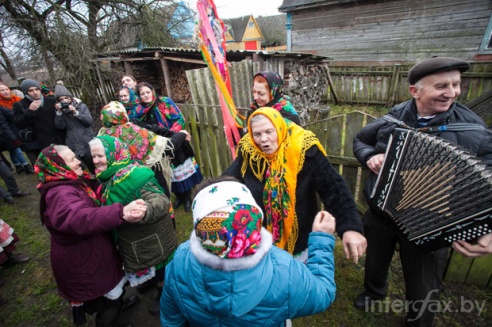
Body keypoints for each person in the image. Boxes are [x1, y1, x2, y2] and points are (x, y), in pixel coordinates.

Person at [352, 57, 492, 326]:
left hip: (431, 221)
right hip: (383, 211)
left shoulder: (474, 131)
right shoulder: (392, 119)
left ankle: (419, 319)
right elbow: (360, 139)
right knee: (375, 260)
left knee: (424, 279)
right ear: (415, 91)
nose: (451, 92)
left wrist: (487, 228)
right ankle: (374, 291)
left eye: (456, 84)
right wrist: (369, 155)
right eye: (441, 86)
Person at [160, 177, 337, 326]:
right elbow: (323, 292)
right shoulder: (285, 271)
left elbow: (171, 318)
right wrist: (321, 238)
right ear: (255, 219)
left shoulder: (180, 262)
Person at [224, 107, 366, 261]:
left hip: (300, 238)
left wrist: (350, 227)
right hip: (261, 238)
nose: (263, 139)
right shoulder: (249, 151)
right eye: (257, 134)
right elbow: (227, 182)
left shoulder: (303, 150)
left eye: (269, 132)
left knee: (298, 279)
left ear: (279, 128)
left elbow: (334, 189)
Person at [35, 144, 146, 326]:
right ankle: (109, 320)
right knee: (106, 296)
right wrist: (120, 212)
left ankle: (116, 306)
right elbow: (77, 217)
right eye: (71, 160)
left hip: (90, 249)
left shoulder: (69, 181)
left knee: (111, 289)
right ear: (57, 166)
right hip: (84, 259)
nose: (79, 162)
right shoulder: (60, 193)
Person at [89, 135, 177, 315]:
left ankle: (165, 297)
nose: (96, 161)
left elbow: (160, 201)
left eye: (100, 156)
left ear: (114, 154)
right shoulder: (107, 178)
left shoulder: (136, 176)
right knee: (149, 268)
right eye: (93, 156)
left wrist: (145, 210)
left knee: (160, 271)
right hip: (136, 240)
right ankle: (151, 284)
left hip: (153, 238)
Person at [132, 82, 203, 212]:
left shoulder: (165, 102)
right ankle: (179, 197)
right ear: (139, 96)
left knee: (181, 170)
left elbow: (179, 119)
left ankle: (187, 198)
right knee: (170, 173)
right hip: (158, 146)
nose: (146, 95)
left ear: (153, 91)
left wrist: (171, 135)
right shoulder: (138, 112)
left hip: (175, 140)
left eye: (148, 92)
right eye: (142, 94)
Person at [97, 101, 175, 197]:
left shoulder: (101, 135)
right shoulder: (132, 129)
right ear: (123, 114)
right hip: (149, 173)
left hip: (125, 182)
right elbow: (159, 144)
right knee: (160, 194)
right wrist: (181, 135)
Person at [13, 79, 65, 165]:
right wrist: (30, 111)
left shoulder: (51, 100)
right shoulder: (20, 105)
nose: (35, 92)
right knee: (54, 166)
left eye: (37, 89)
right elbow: (19, 124)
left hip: (60, 138)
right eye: (31, 90)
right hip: (41, 142)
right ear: (26, 92)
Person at [53, 82, 95, 172]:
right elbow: (60, 127)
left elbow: (89, 122)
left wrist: (76, 113)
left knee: (94, 166)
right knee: (80, 169)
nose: (64, 101)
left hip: (87, 142)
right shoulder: (60, 112)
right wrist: (59, 113)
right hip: (73, 144)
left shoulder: (81, 106)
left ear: (70, 98)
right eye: (61, 99)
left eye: (66, 98)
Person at [0, 105, 35, 174]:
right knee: (16, 150)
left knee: (13, 151)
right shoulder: (2, 107)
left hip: (17, 130)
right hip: (9, 133)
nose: (6, 93)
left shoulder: (16, 102)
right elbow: (4, 124)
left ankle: (18, 165)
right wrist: (12, 137)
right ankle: (26, 165)